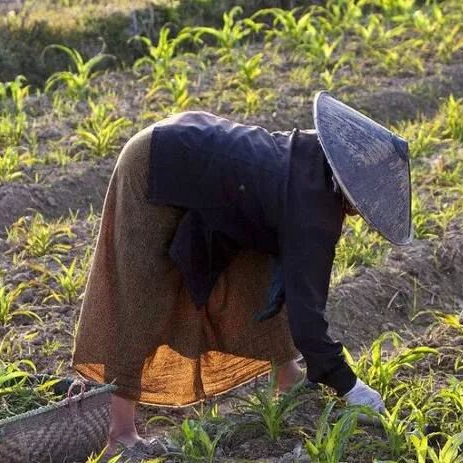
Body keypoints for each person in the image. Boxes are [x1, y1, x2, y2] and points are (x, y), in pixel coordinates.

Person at [71, 91, 412, 458]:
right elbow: (307, 318)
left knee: (256, 273)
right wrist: (350, 386)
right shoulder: (312, 210)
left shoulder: (313, 157)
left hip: (190, 146)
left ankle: (288, 380)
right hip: (155, 161)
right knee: (141, 294)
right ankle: (120, 434)